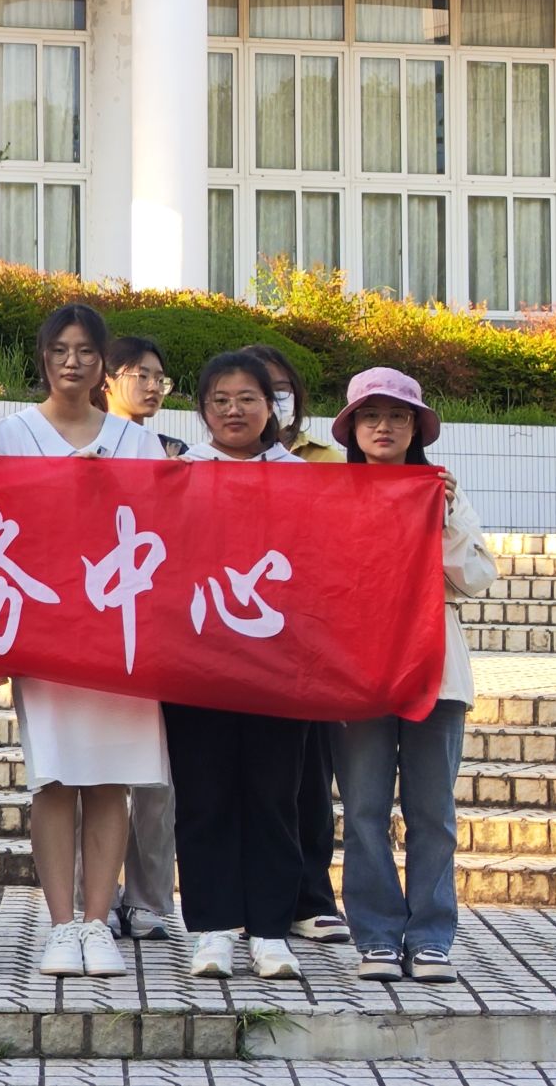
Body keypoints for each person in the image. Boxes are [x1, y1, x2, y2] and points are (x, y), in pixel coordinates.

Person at [0, 303, 167, 981]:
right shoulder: (11, 434)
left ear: (103, 366)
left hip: (121, 632)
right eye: (60, 349)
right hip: (47, 630)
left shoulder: (136, 442)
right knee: (55, 778)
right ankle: (61, 924)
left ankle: (97, 922)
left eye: (86, 350)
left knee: (111, 780)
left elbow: (164, 519)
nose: (72, 361)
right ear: (43, 357)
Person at [330, 368, 494, 985]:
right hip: (359, 676)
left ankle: (430, 938)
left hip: (436, 675)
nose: (384, 427)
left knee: (432, 814)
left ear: (416, 428)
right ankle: (374, 936)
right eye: (371, 416)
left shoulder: (441, 490)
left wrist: (445, 515)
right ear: (352, 429)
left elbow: (476, 578)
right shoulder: (333, 494)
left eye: (397, 416)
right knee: (364, 810)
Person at [168, 351, 309, 982]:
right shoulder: (178, 475)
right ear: (202, 409)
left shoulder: (302, 479)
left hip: (278, 665)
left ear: (270, 407)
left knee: (274, 796)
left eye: (247, 398)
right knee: (204, 796)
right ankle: (213, 928)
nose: (233, 410)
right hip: (197, 660)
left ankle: (271, 931)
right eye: (219, 399)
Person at [240, 341, 351, 947]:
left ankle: (311, 898)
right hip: (237, 641)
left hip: (306, 643)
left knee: (309, 779)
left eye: (278, 389)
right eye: (257, 389)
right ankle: (250, 902)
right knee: (245, 781)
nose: (268, 400)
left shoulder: (327, 462)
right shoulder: (210, 462)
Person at [96, 333, 183, 943]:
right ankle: (93, 898)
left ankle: (150, 898)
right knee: (92, 770)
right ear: (107, 379)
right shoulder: (85, 446)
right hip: (98, 626)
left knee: (158, 777)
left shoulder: (176, 454)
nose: (151, 386)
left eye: (159, 377)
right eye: (138, 374)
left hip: (159, 628)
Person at [102, 336, 187, 459]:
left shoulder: (173, 450)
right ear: (106, 381)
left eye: (160, 380)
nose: (154, 388)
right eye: (142, 376)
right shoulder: (87, 443)